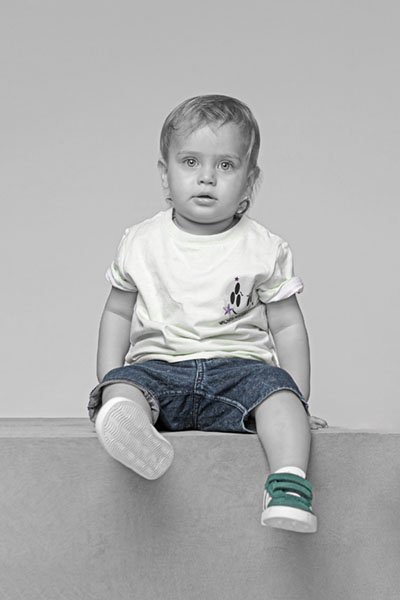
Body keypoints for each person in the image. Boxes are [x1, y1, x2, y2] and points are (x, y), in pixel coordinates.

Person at [88, 94, 327, 534]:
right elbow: (118, 313)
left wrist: (297, 397)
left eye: (226, 165)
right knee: (124, 388)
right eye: (190, 162)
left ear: (250, 181)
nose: (206, 177)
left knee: (278, 395)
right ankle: (131, 427)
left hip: (240, 372)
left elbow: (288, 324)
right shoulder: (141, 241)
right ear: (165, 174)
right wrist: (110, 379)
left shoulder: (264, 247)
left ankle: (288, 485)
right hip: (159, 368)